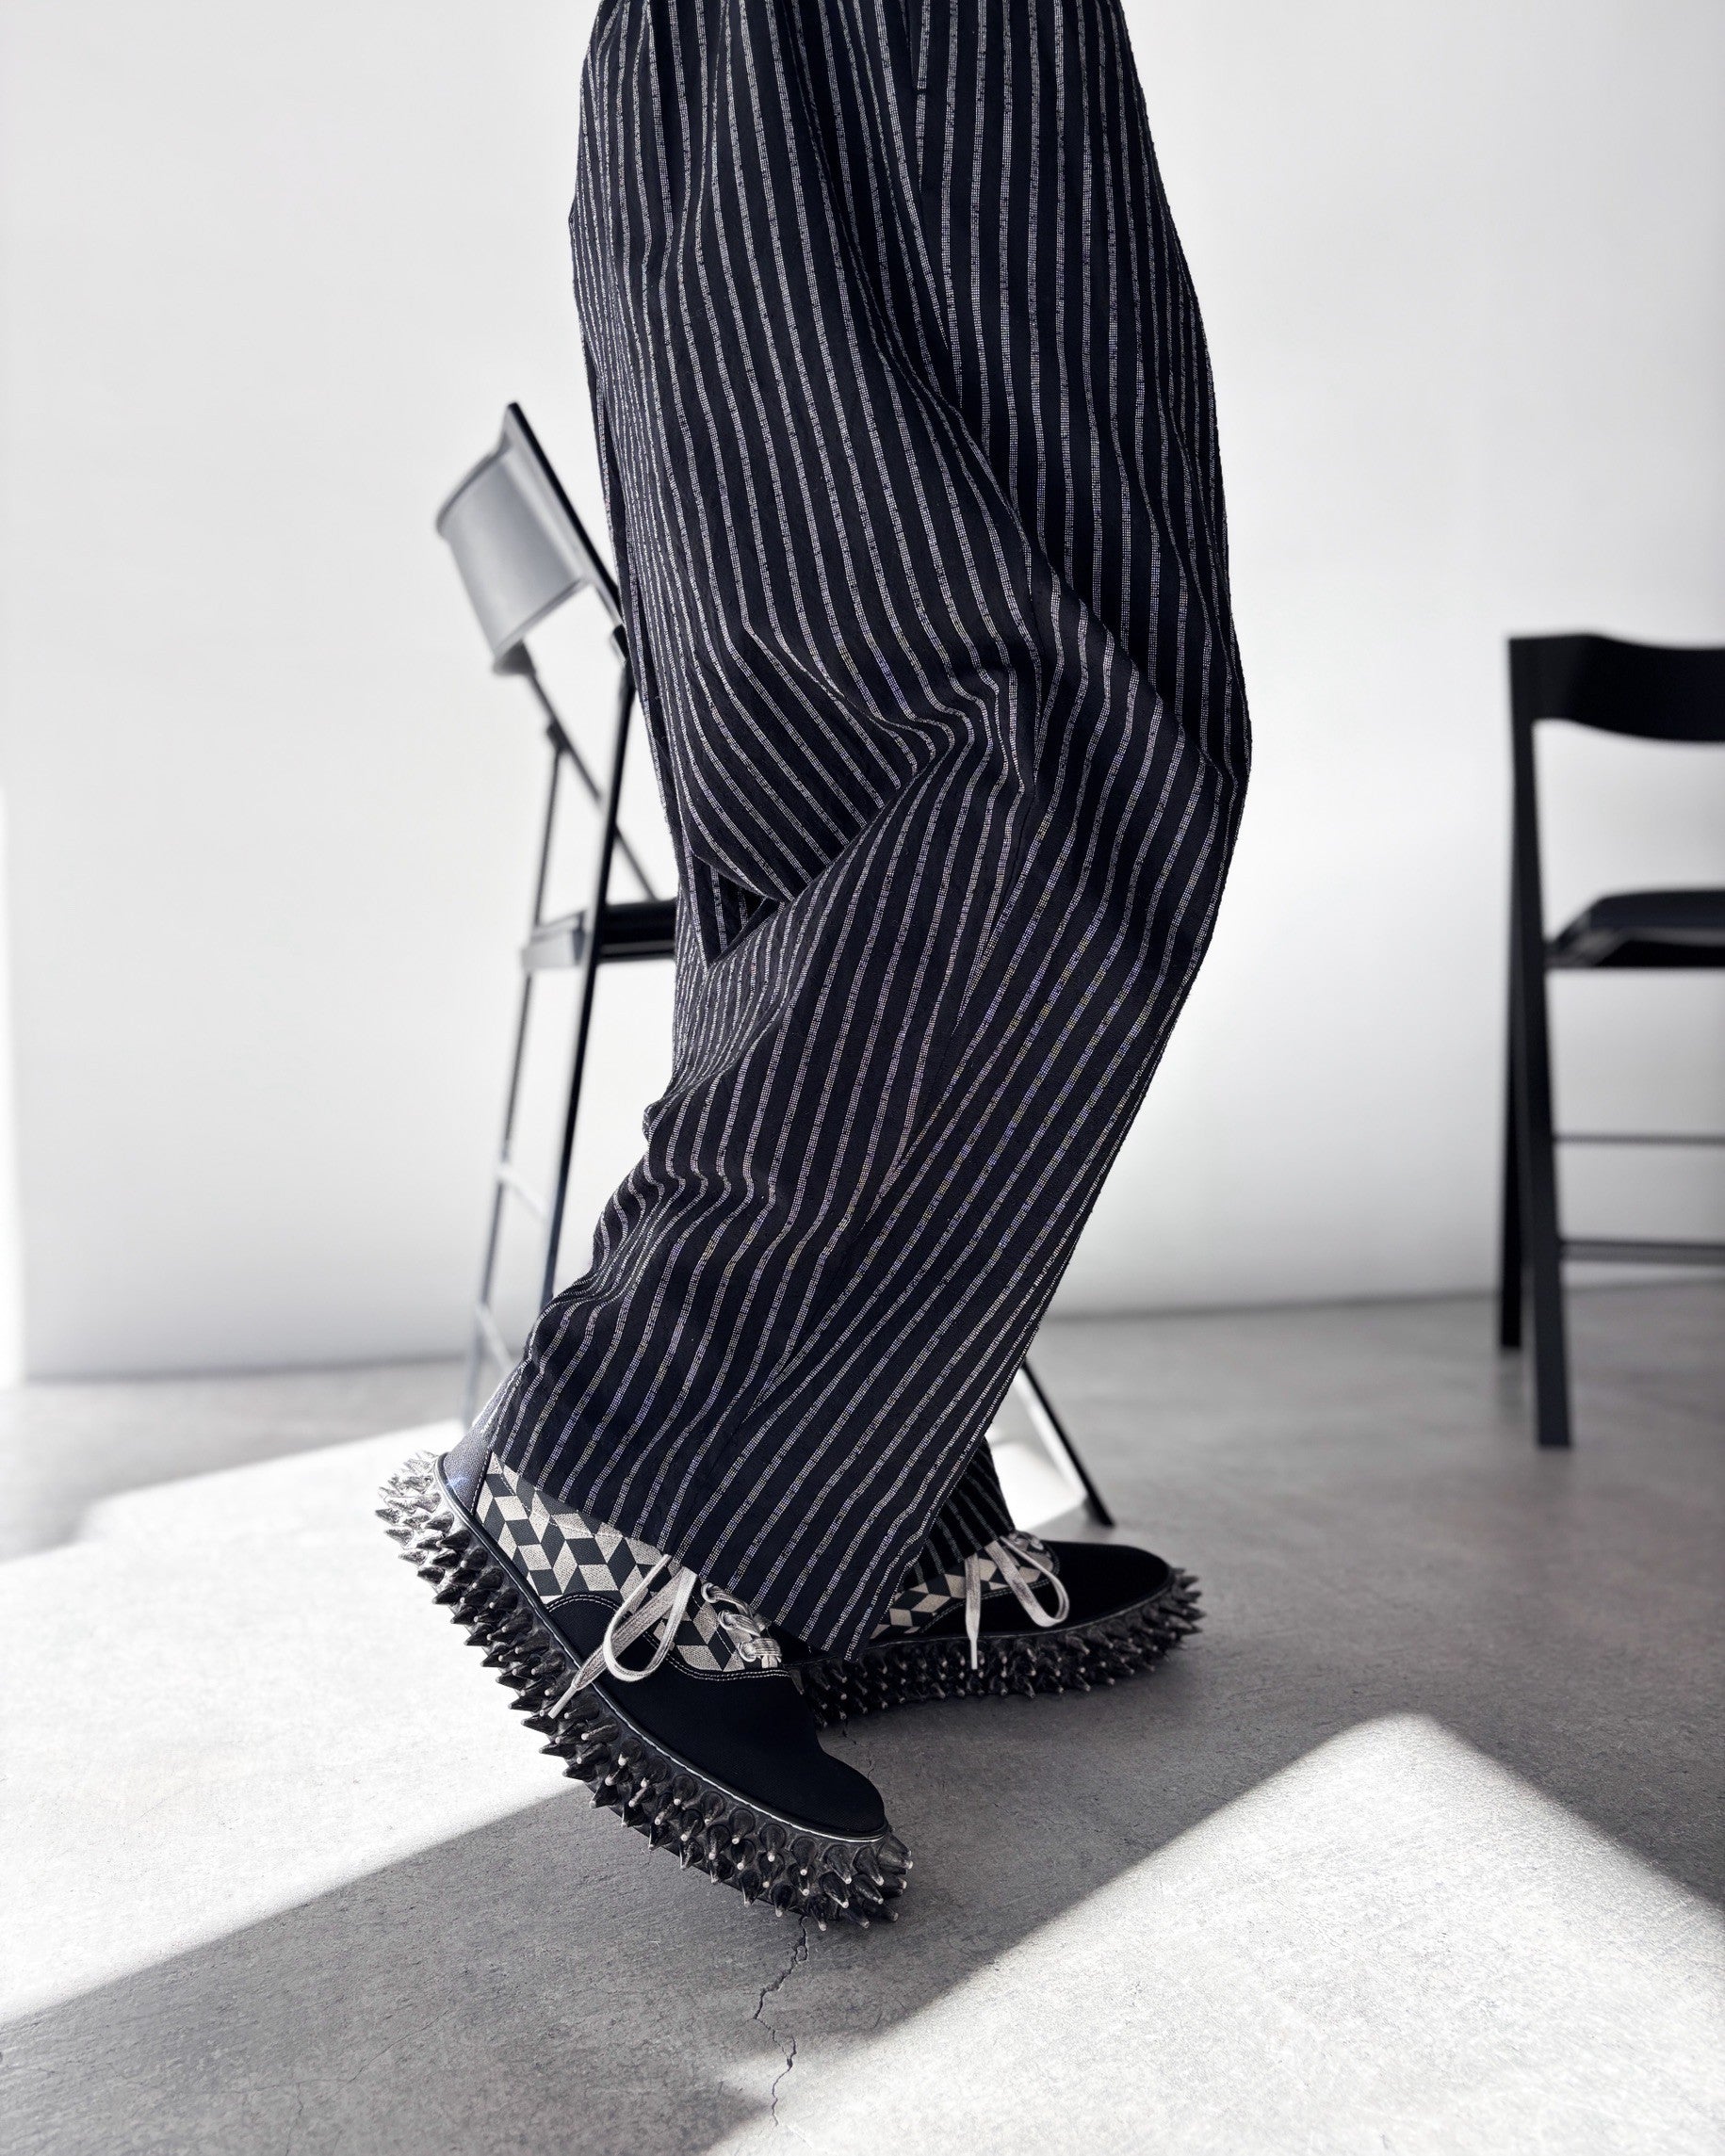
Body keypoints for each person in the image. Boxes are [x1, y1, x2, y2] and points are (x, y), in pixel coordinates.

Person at [382, 0, 1247, 1930]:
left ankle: (847, 1521)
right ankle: (644, 1480)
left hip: (728, 67)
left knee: (839, 778)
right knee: (1079, 728)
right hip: (885, 49)